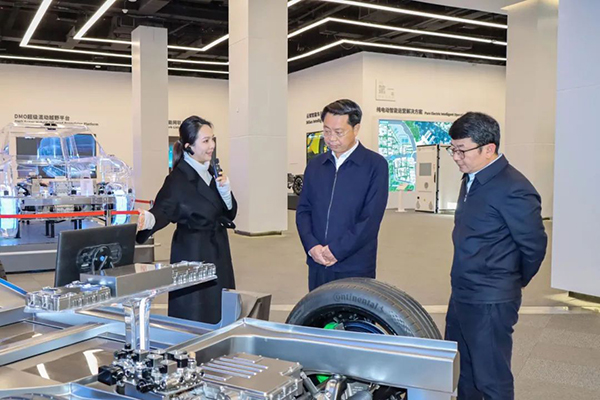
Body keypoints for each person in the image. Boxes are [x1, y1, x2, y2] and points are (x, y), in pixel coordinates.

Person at [444, 112, 547, 400]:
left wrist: (508, 281)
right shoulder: (472, 178)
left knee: (491, 378)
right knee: (464, 372)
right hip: (462, 292)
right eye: (453, 149)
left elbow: (534, 246)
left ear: (488, 149)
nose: (456, 157)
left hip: (490, 298)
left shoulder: (514, 188)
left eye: (462, 150)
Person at [136, 115, 236, 324]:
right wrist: (149, 219)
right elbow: (163, 210)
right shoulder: (178, 179)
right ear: (189, 147)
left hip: (218, 249)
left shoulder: (211, 171)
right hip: (194, 252)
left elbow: (228, 214)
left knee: (219, 308)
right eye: (206, 141)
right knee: (196, 311)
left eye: (212, 139)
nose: (212, 145)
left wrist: (226, 193)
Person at [296, 99, 389, 291]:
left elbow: (370, 219)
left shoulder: (375, 165)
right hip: (318, 261)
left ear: (356, 129)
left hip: (355, 264)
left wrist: (336, 250)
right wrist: (311, 246)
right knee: (318, 309)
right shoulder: (315, 166)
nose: (331, 138)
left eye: (339, 132)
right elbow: (304, 209)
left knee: (352, 310)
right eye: (326, 131)